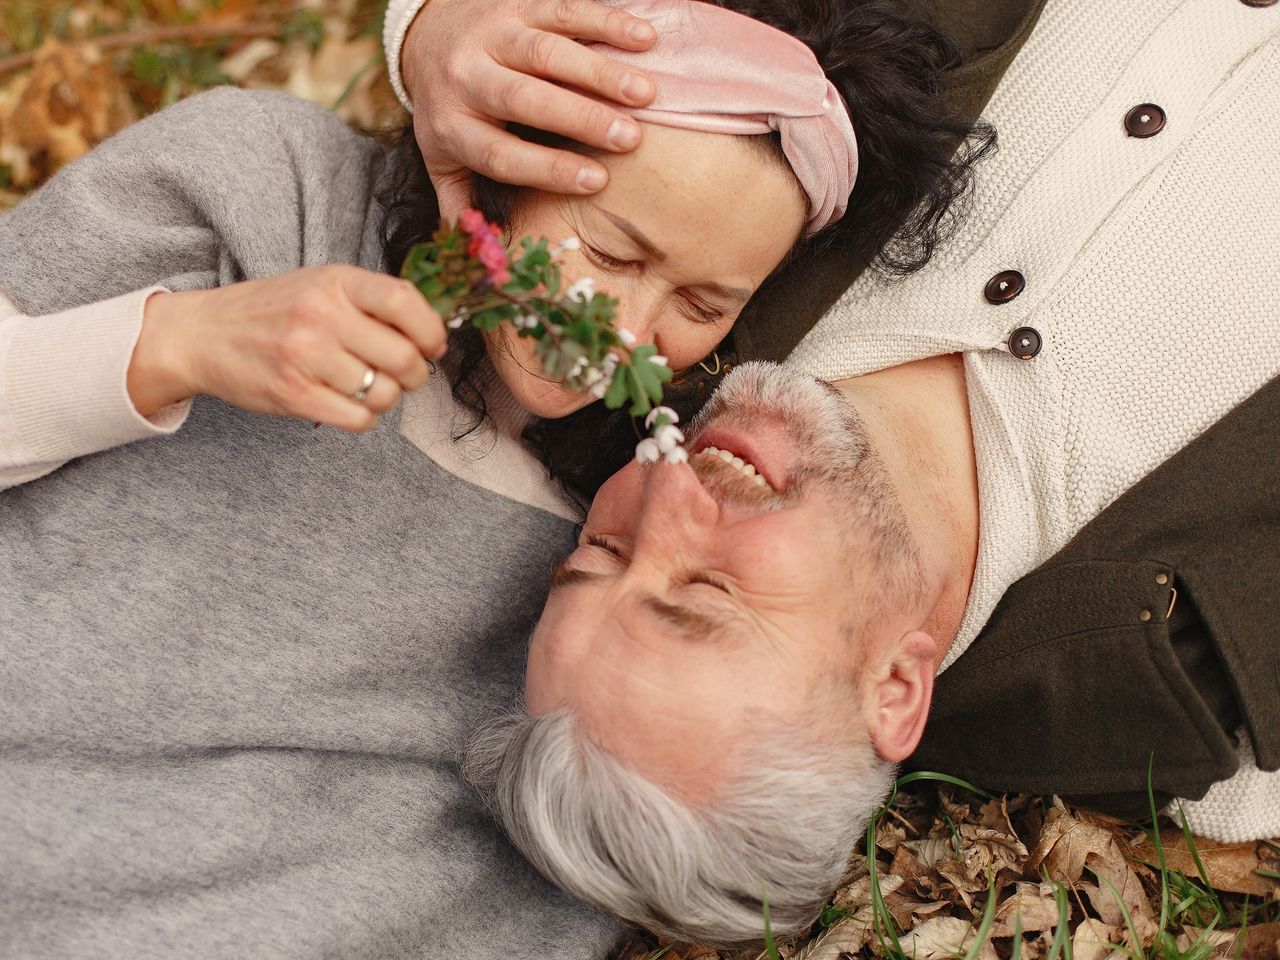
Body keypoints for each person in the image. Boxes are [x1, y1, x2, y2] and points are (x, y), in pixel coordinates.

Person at [0, 2, 991, 957]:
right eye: (607, 250)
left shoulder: (626, 518)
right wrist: (174, 347)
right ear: (498, 162)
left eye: (699, 301)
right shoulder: (267, 198)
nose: (627, 332)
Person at [455, 0, 1280, 946]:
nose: (667, 488)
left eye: (599, 549)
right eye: (709, 590)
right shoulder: (1199, 695)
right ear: (893, 689)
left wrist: (440, 31)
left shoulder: (653, 302)